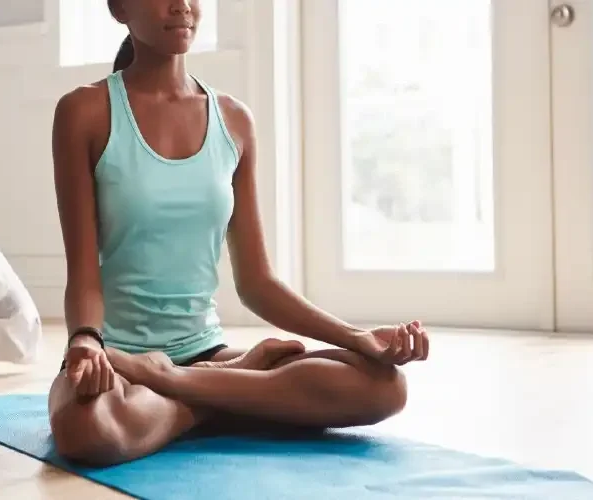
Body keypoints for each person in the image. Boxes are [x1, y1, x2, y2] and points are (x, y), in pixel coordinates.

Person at [49, 0, 430, 467]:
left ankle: (179, 385)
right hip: (116, 358)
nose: (182, 6)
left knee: (383, 387)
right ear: (119, 8)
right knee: (86, 431)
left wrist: (358, 338)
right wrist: (85, 342)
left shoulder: (233, 120)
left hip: (203, 350)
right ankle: (229, 393)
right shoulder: (84, 111)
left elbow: (257, 284)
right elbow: (83, 274)